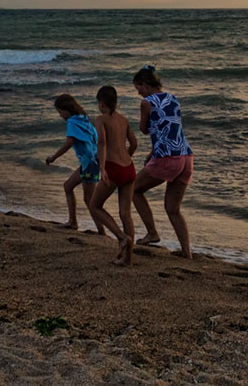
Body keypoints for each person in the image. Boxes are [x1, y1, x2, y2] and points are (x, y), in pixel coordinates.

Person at [131, 64, 194, 258]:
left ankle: (152, 232)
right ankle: (187, 253)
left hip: (167, 158)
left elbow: (144, 129)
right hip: (185, 156)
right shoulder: (173, 99)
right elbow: (169, 129)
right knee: (173, 209)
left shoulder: (147, 102)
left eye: (138, 88)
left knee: (133, 189)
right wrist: (153, 151)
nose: (138, 93)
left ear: (145, 84)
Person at [87, 85, 139, 265]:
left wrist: (103, 169)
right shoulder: (124, 119)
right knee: (126, 213)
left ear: (101, 104)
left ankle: (121, 237)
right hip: (129, 167)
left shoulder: (100, 119)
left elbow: (101, 143)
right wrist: (127, 158)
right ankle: (128, 258)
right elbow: (134, 143)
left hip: (113, 167)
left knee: (95, 206)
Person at [45, 94, 105, 234]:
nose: (60, 116)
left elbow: (69, 142)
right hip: (91, 161)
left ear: (67, 110)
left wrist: (53, 157)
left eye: (60, 112)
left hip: (89, 163)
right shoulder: (84, 119)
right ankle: (73, 222)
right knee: (68, 186)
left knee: (89, 199)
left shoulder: (72, 121)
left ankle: (101, 230)